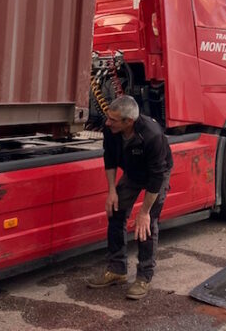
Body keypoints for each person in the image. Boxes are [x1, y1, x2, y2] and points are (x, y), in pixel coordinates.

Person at [86, 95, 173, 299]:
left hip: (155, 175)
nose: (107, 122)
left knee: (146, 224)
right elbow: (109, 157)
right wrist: (111, 191)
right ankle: (117, 270)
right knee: (115, 212)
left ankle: (144, 276)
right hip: (133, 171)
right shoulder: (111, 128)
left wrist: (144, 212)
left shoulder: (152, 135)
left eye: (113, 120)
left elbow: (156, 177)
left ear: (129, 122)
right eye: (108, 117)